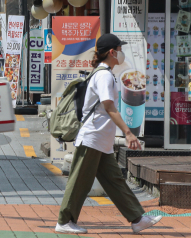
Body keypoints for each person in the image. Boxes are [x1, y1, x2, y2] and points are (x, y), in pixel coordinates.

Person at [55, 34, 162, 235]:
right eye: (120, 49)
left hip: (101, 141)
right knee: (80, 182)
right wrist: (128, 132)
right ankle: (64, 221)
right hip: (92, 138)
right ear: (112, 52)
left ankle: (137, 219)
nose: (121, 53)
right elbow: (108, 105)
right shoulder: (103, 75)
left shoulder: (106, 73)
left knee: (115, 181)